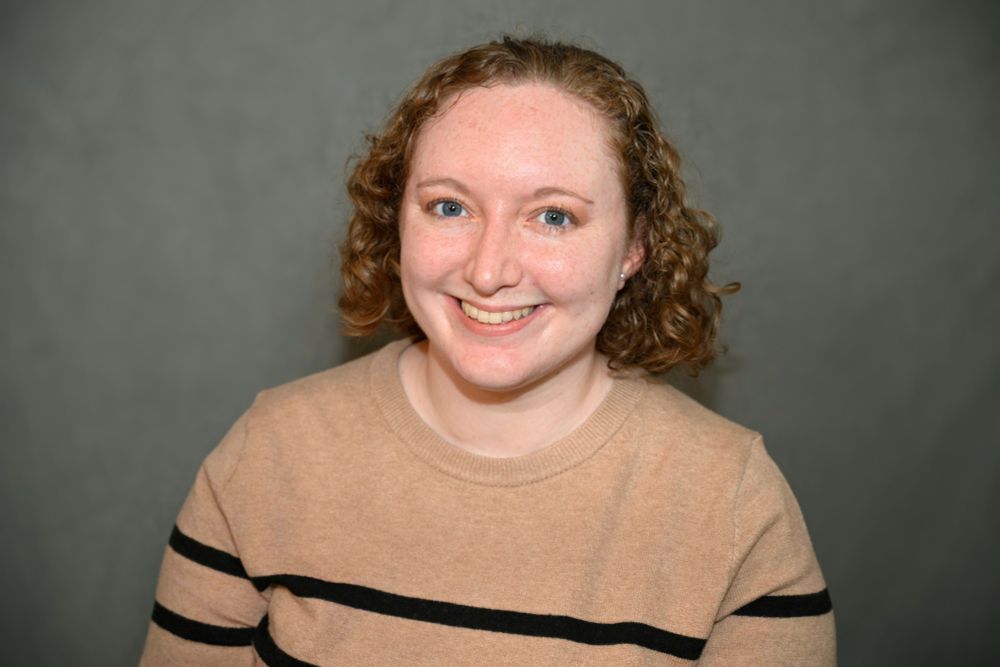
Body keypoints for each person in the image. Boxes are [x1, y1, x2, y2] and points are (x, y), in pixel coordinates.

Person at [140, 36, 835, 665]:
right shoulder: (269, 455)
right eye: (450, 206)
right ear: (395, 220)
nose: (488, 268)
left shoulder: (736, 506)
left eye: (553, 215)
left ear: (633, 249)